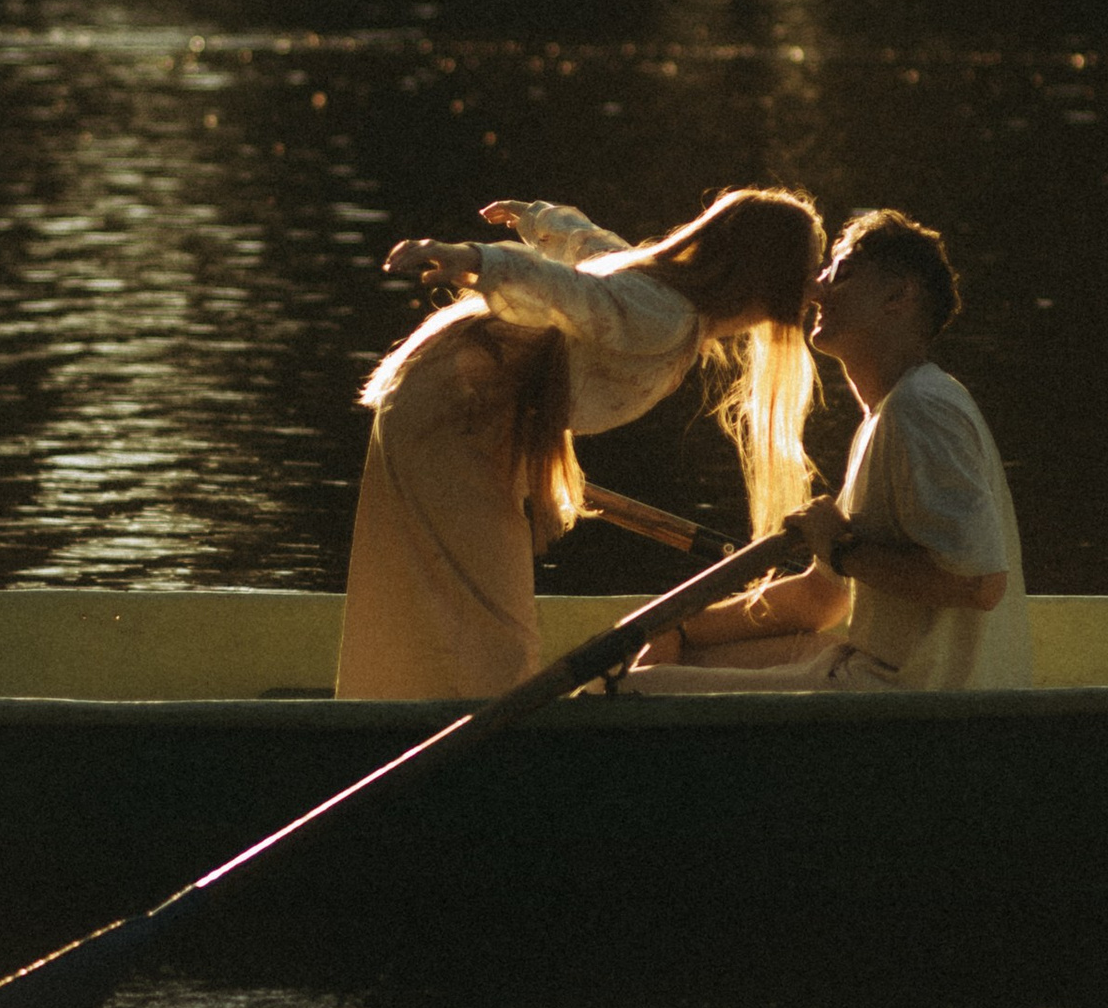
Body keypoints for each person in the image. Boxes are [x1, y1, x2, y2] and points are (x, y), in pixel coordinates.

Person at [334, 187, 826, 700]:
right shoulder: (668, 317)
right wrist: (476, 259)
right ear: (770, 274)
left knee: (459, 588)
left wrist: (543, 222)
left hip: (460, 408)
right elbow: (573, 292)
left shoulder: (661, 302)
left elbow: (598, 254)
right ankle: (489, 726)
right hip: (456, 416)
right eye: (811, 269)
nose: (818, 287)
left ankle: (414, 697)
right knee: (490, 613)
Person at [632, 207, 1031, 692]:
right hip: (872, 667)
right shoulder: (888, 412)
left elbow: (980, 584)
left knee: (630, 689)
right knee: (681, 653)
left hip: (907, 694)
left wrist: (842, 548)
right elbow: (822, 599)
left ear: (898, 296)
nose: (817, 289)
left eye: (840, 273)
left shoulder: (921, 408)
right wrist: (676, 624)